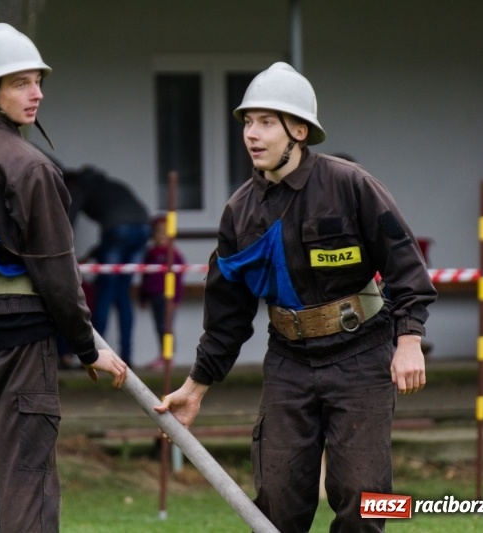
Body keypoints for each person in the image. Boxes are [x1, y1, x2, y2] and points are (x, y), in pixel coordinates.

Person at [155, 62, 437, 532]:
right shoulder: (239, 212)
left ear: (299, 131)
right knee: (277, 502)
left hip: (361, 354)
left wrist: (408, 341)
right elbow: (227, 315)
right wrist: (196, 386)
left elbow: (406, 265)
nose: (252, 134)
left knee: (364, 500)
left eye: (266, 122)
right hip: (288, 361)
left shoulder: (350, 185)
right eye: (248, 122)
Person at [0, 23, 127, 533]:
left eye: (37, 81)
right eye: (21, 84)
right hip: (19, 346)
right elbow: (58, 274)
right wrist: (87, 348)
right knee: (27, 490)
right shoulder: (32, 167)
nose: (37, 94)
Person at [63, 166, 151, 366]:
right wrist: (92, 254)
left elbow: (68, 222)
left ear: (70, 182)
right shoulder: (110, 185)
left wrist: (61, 251)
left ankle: (95, 355)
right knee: (123, 294)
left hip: (118, 229)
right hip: (144, 228)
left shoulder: (79, 187)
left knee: (105, 292)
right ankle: (126, 356)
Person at [139, 214, 186, 369]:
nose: (161, 235)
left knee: (166, 326)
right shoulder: (150, 253)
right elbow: (145, 276)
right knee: (159, 327)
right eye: (158, 231)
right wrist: (143, 297)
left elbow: (178, 280)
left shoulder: (174, 255)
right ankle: (162, 354)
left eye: (165, 232)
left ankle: (168, 356)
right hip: (154, 297)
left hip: (168, 297)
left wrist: (175, 299)